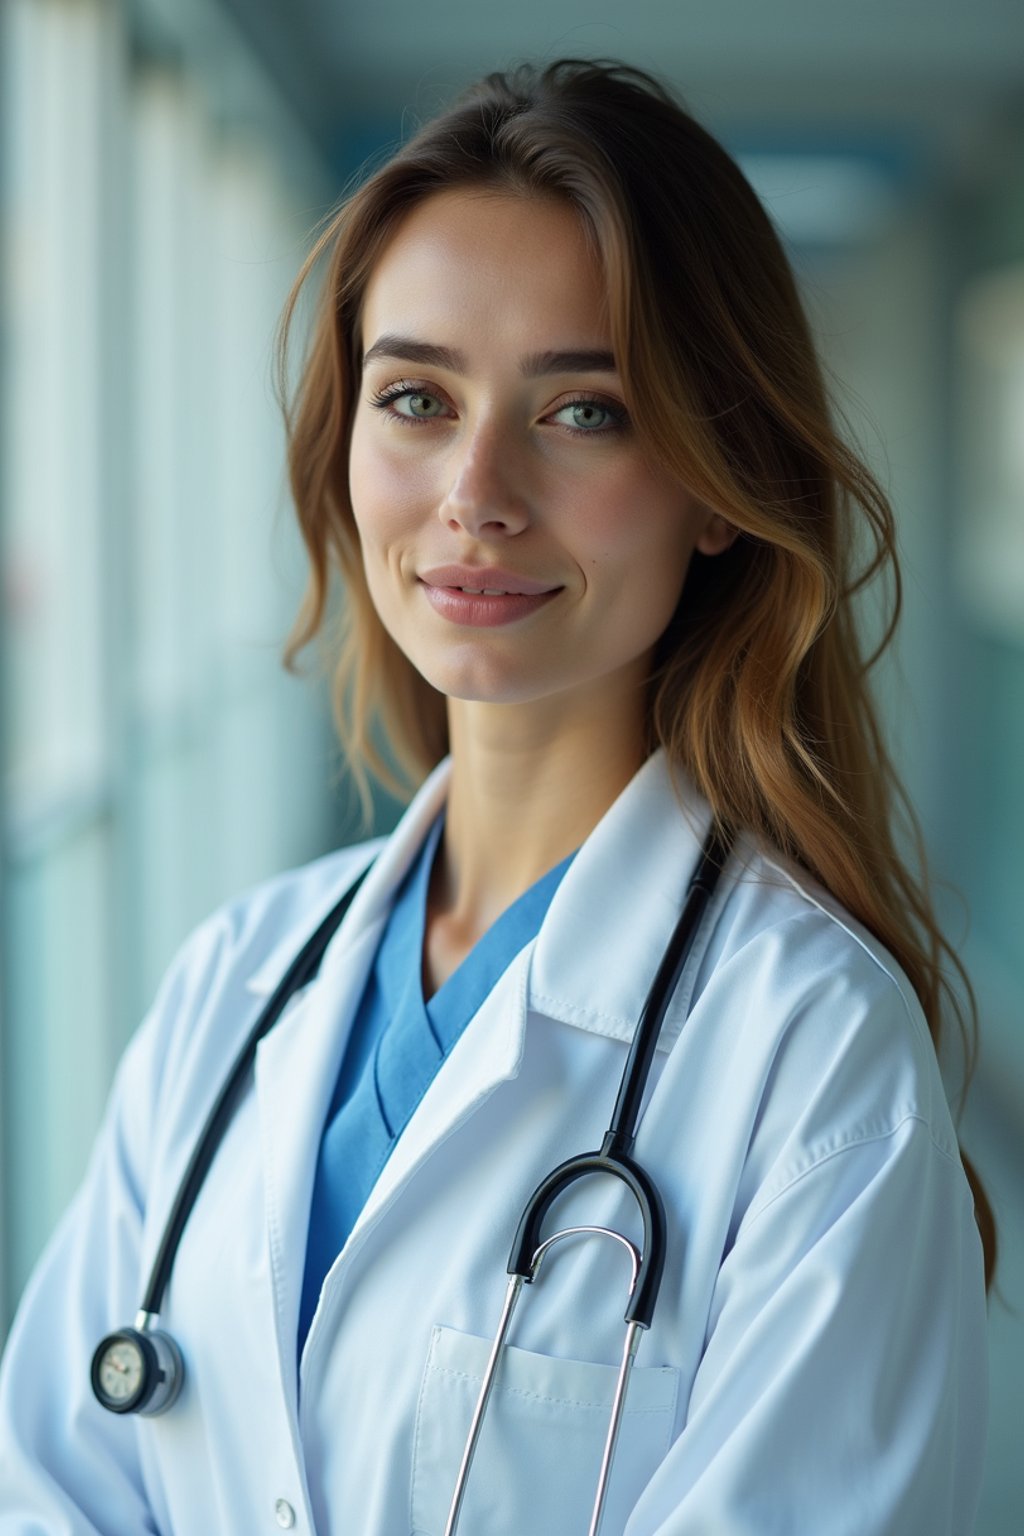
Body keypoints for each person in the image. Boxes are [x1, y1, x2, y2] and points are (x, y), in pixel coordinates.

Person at [0, 58, 993, 1536]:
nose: (477, 489)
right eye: (415, 397)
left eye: (584, 412)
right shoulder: (235, 987)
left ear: (718, 482)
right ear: (346, 449)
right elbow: (51, 1480)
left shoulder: (812, 1052)